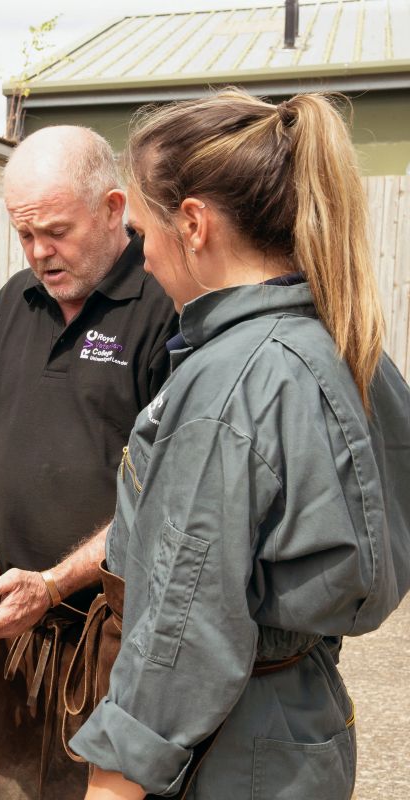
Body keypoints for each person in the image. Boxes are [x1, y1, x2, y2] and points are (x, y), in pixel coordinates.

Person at [69, 90, 410, 799]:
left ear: (193, 222)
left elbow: (182, 625)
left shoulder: (226, 383)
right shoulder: (355, 349)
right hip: (306, 723)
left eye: (141, 232)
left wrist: (114, 779)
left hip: (226, 748)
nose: (144, 255)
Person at [0, 126, 179, 799]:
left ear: (113, 209)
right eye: (25, 235)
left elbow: (166, 496)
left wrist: (54, 583)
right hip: (17, 632)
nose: (40, 253)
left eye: (56, 231)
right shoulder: (18, 300)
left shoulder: (164, 307)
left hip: (118, 637)